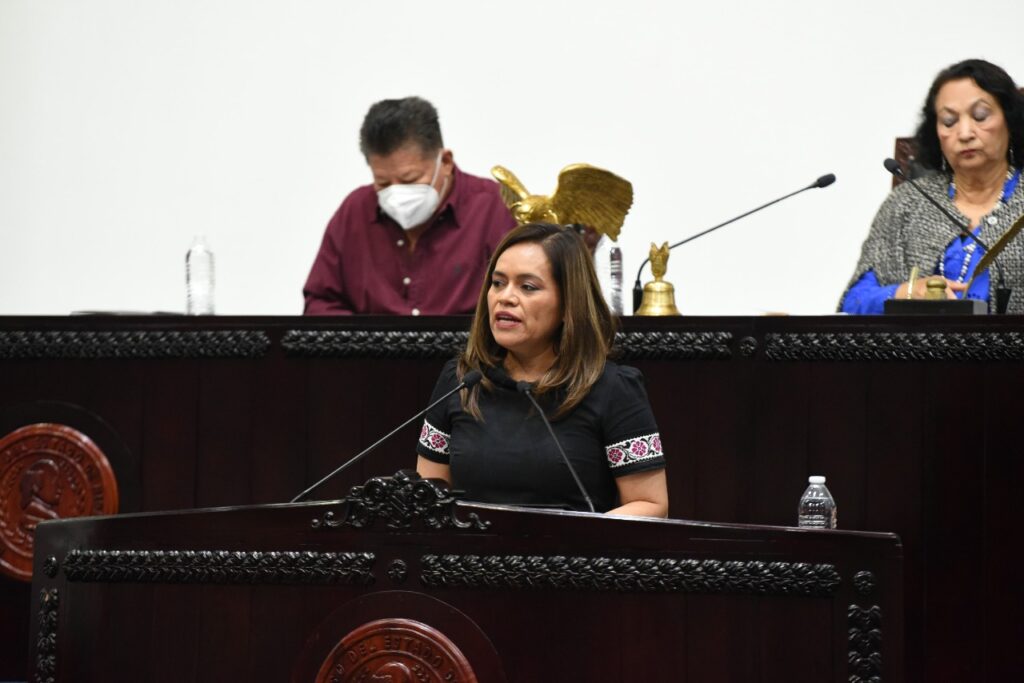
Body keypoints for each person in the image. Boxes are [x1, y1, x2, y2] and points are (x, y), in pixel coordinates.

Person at [414, 223, 669, 517]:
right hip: (471, 547)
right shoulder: (459, 381)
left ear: (568, 304)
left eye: (528, 287)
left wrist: (578, 538)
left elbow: (651, 505)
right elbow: (427, 498)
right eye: (498, 283)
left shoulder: (613, 389)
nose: (505, 297)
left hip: (572, 547)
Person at [840, 59, 1024, 314]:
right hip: (913, 341)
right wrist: (906, 292)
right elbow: (854, 302)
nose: (965, 133)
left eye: (980, 116)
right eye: (949, 121)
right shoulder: (907, 202)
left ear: (1009, 120)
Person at [303, 97, 517, 315]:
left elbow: (521, 303)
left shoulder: (495, 207)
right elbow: (320, 303)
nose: (396, 194)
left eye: (410, 180)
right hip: (370, 339)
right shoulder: (355, 211)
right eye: (383, 183)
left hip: (467, 338)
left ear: (445, 162)